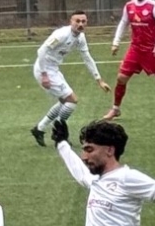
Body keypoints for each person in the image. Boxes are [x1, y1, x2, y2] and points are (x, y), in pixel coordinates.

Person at [30, 11, 111, 146]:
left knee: (64, 101)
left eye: (83, 21)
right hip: (44, 69)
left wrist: (99, 80)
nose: (80, 24)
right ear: (71, 22)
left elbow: (87, 58)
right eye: (77, 21)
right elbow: (41, 51)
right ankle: (59, 133)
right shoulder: (61, 34)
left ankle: (39, 129)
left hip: (53, 69)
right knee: (72, 100)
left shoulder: (80, 37)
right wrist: (44, 75)